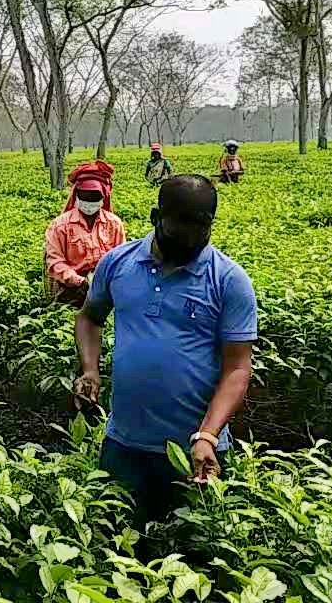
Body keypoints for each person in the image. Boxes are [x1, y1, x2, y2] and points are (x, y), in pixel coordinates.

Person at [74, 175, 256, 529]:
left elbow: (238, 368)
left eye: (199, 232)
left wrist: (208, 434)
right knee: (115, 549)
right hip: (124, 446)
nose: (188, 243)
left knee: (194, 563)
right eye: (177, 230)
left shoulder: (229, 281)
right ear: (156, 217)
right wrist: (90, 369)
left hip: (198, 452)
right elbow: (89, 318)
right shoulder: (117, 264)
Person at [45, 161, 126, 307]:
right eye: (85, 196)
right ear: (76, 195)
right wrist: (79, 281)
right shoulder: (60, 226)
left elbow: (122, 259)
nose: (89, 201)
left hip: (107, 289)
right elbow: (55, 261)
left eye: (94, 197)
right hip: (71, 290)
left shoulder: (114, 223)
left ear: (103, 198)